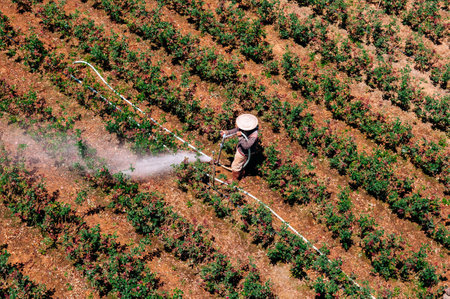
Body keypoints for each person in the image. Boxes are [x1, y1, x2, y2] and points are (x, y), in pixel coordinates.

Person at [220, 114, 259, 183]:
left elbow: (246, 146)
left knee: (235, 166)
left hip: (244, 152)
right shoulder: (246, 128)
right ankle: (241, 173)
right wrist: (227, 132)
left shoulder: (254, 135)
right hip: (242, 150)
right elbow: (236, 130)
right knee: (242, 164)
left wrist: (240, 137)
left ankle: (235, 180)